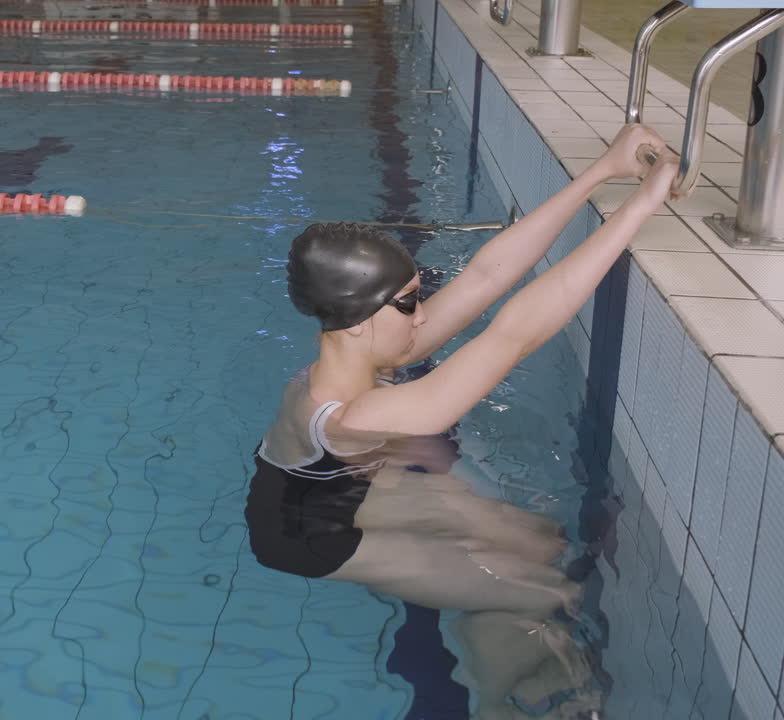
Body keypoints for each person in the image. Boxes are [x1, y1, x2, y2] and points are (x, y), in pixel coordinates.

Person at [245, 124, 682, 718]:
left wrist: (603, 171)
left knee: (542, 543)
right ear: (356, 319)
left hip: (350, 485)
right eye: (408, 303)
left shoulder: (370, 348)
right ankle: (509, 701)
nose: (422, 316)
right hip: (309, 536)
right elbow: (517, 332)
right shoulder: (354, 414)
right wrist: (641, 206)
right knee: (546, 592)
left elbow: (485, 277)